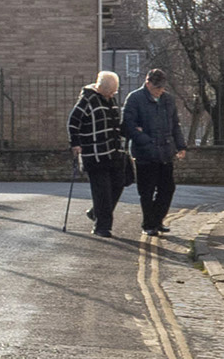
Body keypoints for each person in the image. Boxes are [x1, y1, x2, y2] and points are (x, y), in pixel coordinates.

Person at [68, 68, 134, 236]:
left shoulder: (110, 100)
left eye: (114, 92)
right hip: (95, 154)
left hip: (113, 152)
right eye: (110, 92)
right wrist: (75, 143)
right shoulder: (87, 100)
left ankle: (95, 212)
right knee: (102, 191)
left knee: (119, 184)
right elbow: (73, 122)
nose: (112, 95)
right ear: (101, 88)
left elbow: (115, 123)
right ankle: (102, 227)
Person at [122, 68, 184, 238]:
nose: (160, 91)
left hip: (165, 151)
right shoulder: (134, 99)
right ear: (147, 83)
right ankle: (149, 224)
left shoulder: (168, 100)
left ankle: (156, 220)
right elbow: (128, 125)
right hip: (144, 154)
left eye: (162, 88)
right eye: (157, 88)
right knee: (146, 191)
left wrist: (181, 146)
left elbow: (175, 125)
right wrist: (145, 140)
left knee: (168, 189)